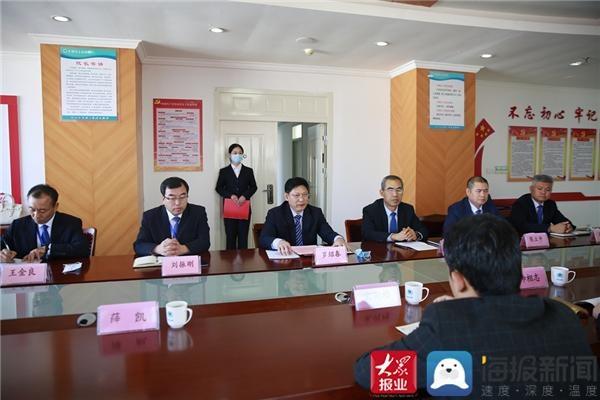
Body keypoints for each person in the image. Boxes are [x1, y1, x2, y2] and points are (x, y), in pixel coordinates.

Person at [354, 214, 593, 391]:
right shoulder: (563, 316)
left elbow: (369, 373)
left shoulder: (446, 327)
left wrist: (445, 316)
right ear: (518, 270)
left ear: (458, 281)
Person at [0, 184, 88, 262]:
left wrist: (49, 249)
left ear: (55, 207)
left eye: (42, 211)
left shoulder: (71, 223)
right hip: (29, 273)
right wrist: (3, 253)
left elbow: (82, 249)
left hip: (59, 272)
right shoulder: (18, 225)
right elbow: (3, 244)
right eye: (32, 209)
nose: (36, 215)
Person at [259, 177, 347, 255]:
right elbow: (264, 238)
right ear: (286, 196)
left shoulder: (315, 212)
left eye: (305, 195)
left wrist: (338, 239)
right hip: (285, 260)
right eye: (296, 195)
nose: (301, 199)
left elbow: (327, 232)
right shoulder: (275, 214)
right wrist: (279, 242)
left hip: (308, 261)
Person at [134, 177, 210, 256]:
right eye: (172, 198)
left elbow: (204, 241)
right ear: (163, 199)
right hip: (161, 261)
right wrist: (158, 249)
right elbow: (139, 245)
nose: (177, 203)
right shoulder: (150, 216)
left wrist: (183, 249)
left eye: (182, 197)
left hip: (188, 261)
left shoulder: (198, 212)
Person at [215, 143, 257, 250]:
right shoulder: (224, 171)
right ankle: (230, 259)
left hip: (244, 207)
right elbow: (219, 188)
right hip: (230, 208)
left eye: (240, 153)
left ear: (243, 155)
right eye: (235, 153)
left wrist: (245, 196)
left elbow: (254, 187)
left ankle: (244, 259)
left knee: (243, 237)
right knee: (230, 237)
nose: (237, 155)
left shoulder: (248, 171)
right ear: (230, 155)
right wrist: (230, 195)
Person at [362, 175, 428, 242]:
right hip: (379, 248)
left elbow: (423, 230)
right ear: (382, 193)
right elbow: (368, 233)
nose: (395, 194)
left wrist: (415, 234)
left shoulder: (408, 209)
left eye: (399, 190)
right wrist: (393, 236)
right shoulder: (371, 210)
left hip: (402, 248)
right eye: (390, 190)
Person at [509, 174, 574, 235]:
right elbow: (521, 226)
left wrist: (568, 226)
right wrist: (550, 228)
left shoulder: (550, 204)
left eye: (548, 190)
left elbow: (562, 220)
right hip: (522, 240)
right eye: (539, 189)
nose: (543, 192)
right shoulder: (521, 203)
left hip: (545, 240)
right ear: (531, 189)